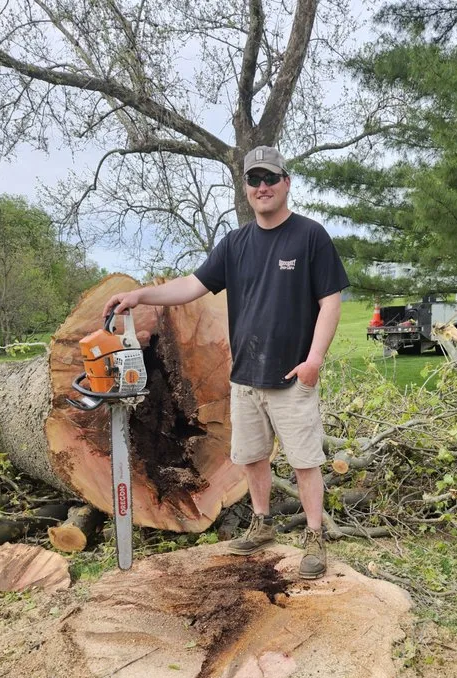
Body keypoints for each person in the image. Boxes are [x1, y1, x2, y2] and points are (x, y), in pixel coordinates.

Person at [103, 146, 349, 579]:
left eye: (270, 179)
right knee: (252, 457)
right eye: (254, 180)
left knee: (304, 461)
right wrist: (140, 295)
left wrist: (314, 359)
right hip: (246, 378)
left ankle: (314, 536)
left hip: (292, 376)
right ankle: (262, 523)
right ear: (247, 188)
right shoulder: (235, 244)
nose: (262, 187)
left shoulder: (310, 237)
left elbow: (330, 302)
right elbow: (191, 286)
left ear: (286, 183)